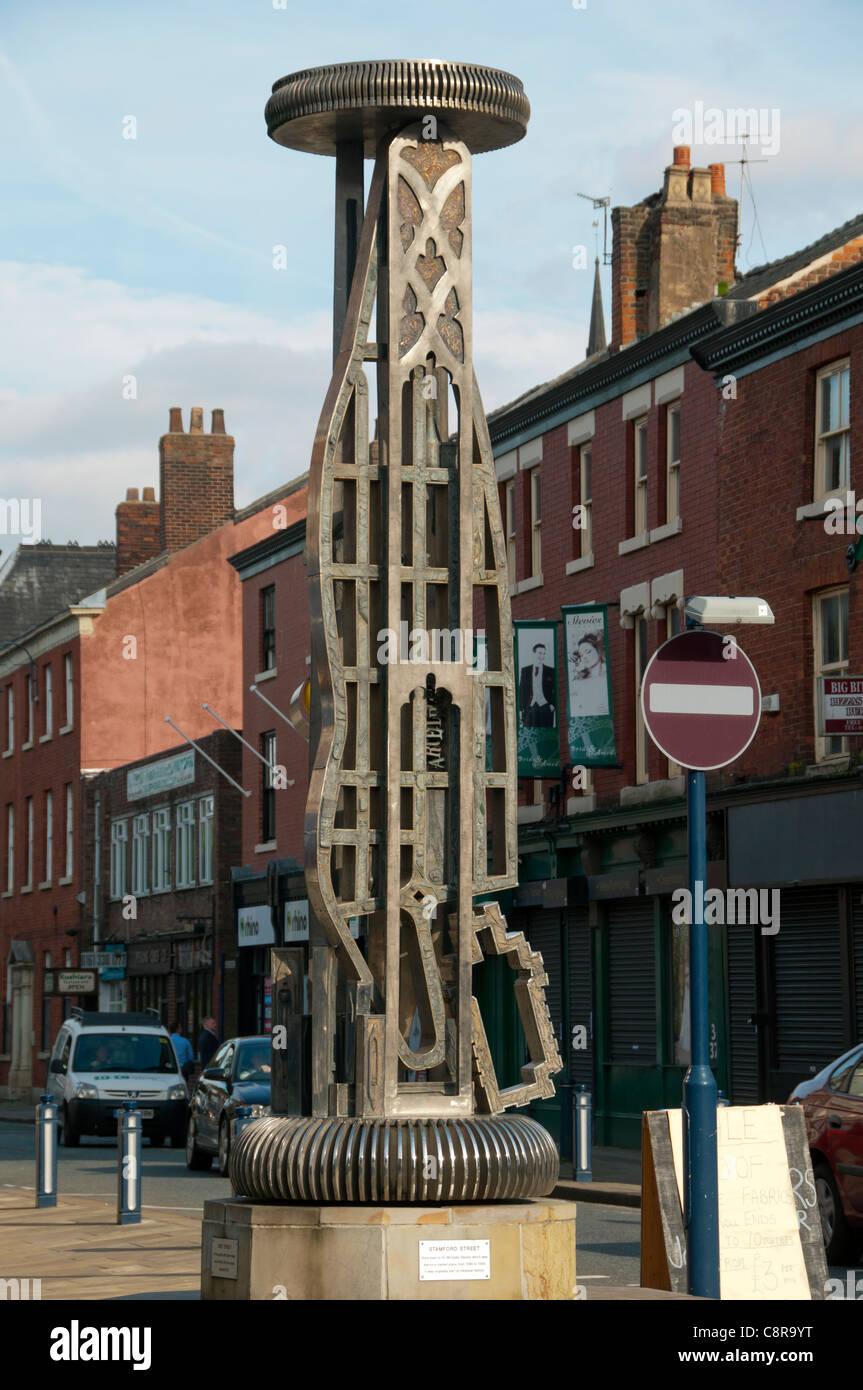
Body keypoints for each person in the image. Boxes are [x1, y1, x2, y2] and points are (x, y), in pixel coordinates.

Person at [519, 642, 556, 727]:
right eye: (539, 653)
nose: (542, 656)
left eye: (544, 654)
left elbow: (556, 689)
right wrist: (521, 709)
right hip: (529, 707)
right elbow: (522, 689)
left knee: (546, 734)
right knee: (529, 733)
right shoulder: (525, 670)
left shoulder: (551, 671)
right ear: (534, 653)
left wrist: (553, 705)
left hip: (546, 707)